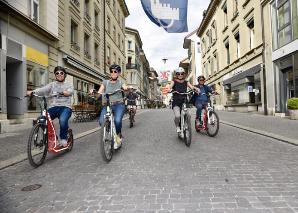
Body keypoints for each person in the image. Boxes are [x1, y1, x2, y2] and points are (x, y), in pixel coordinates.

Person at [27, 66, 74, 147]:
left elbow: (70, 92)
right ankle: (53, 138)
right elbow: (43, 90)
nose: (59, 74)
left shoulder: (69, 84)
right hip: (54, 107)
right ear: (55, 75)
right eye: (57, 73)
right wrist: (32, 92)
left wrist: (64, 92)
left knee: (62, 120)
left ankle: (63, 139)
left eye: (61, 73)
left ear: (65, 74)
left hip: (66, 107)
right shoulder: (52, 85)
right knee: (42, 119)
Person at [91, 64, 128, 149]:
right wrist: (94, 92)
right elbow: (98, 94)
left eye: (115, 71)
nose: (113, 73)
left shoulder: (120, 82)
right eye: (111, 71)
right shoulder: (105, 82)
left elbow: (125, 87)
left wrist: (126, 88)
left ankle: (118, 136)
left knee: (117, 121)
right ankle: (111, 131)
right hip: (108, 105)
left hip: (119, 104)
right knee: (101, 121)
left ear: (119, 73)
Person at [168, 67, 199, 133]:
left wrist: (195, 88)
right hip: (176, 101)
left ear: (184, 74)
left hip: (184, 101)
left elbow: (191, 86)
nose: (180, 75)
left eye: (182, 74)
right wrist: (168, 88)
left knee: (189, 114)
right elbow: (170, 86)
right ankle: (177, 126)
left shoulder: (186, 82)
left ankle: (185, 124)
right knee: (177, 116)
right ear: (176, 74)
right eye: (178, 74)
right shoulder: (174, 81)